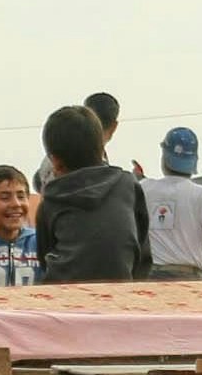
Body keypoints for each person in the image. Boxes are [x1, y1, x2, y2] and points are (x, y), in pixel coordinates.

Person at [32, 105, 149, 283]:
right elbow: (143, 249)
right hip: (120, 292)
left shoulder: (51, 200)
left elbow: (44, 258)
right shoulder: (127, 184)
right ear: (102, 149)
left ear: (55, 161)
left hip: (64, 298)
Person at [141, 128, 202, 278]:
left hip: (152, 278)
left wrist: (138, 177)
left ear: (164, 156)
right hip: (188, 280)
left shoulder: (145, 187)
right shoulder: (201, 195)